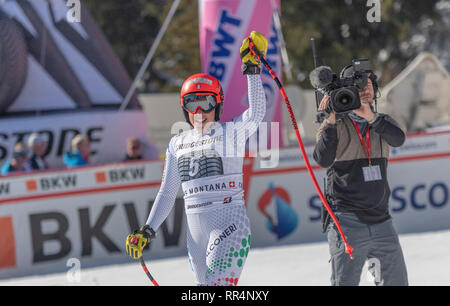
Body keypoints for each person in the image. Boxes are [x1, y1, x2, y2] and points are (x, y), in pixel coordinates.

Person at [125, 31, 268, 286]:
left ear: (219, 105)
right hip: (195, 237)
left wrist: (252, 69)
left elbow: (256, 113)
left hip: (230, 227)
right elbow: (167, 193)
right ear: (184, 108)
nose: (199, 112)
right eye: (192, 104)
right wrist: (147, 229)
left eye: (206, 103)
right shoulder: (177, 143)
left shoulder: (231, 132)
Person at [313, 64, 408, 286]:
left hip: (382, 220)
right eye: (357, 86)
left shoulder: (382, 123)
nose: (364, 89)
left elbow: (399, 139)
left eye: (367, 84)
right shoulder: (335, 124)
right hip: (347, 221)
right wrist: (330, 120)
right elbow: (322, 159)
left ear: (375, 89)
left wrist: (371, 117)